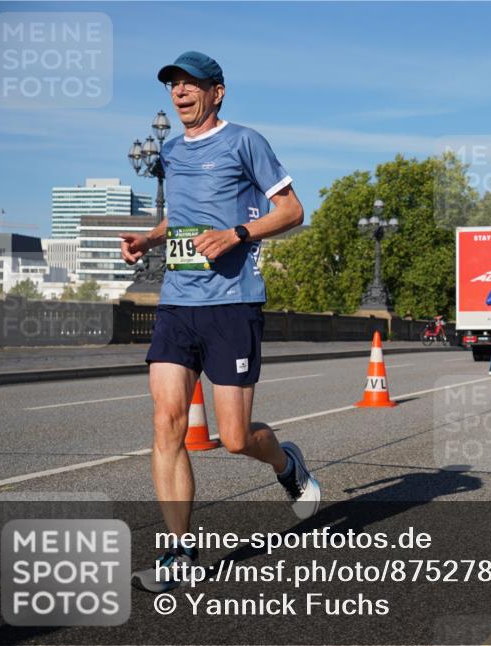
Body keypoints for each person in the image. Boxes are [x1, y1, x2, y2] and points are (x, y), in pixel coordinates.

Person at [120, 52, 320, 592]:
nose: (180, 94)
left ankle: (287, 464)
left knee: (234, 438)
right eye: (174, 86)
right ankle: (179, 551)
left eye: (191, 85)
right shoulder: (170, 149)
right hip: (178, 302)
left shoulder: (245, 141)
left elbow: (293, 211)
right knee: (167, 423)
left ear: (218, 92)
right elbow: (180, 216)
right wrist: (150, 238)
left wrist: (237, 234)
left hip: (232, 304)